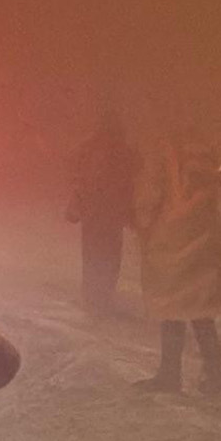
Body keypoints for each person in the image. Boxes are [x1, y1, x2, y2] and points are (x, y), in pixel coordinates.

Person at [132, 126, 221, 394]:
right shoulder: (207, 152)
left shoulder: (164, 148)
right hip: (203, 238)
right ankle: (216, 374)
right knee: (201, 311)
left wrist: (142, 222)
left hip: (170, 239)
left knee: (171, 308)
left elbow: (150, 193)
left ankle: (169, 374)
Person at [66, 112, 140, 315]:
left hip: (93, 213)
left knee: (91, 255)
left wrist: (77, 205)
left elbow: (79, 178)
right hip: (112, 214)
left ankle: (93, 297)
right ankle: (104, 295)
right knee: (111, 255)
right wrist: (130, 212)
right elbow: (130, 183)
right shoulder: (123, 152)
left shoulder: (89, 148)